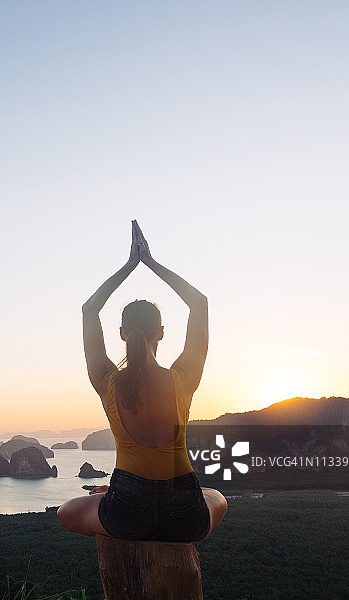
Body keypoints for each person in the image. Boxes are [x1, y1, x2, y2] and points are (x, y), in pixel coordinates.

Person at [57, 220, 227, 542]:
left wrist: (129, 266)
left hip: (125, 509)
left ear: (121, 333)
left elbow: (89, 310)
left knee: (65, 511)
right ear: (161, 333)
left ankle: (108, 498)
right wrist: (151, 262)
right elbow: (199, 303)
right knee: (216, 496)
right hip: (185, 511)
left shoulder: (106, 382)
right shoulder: (182, 380)